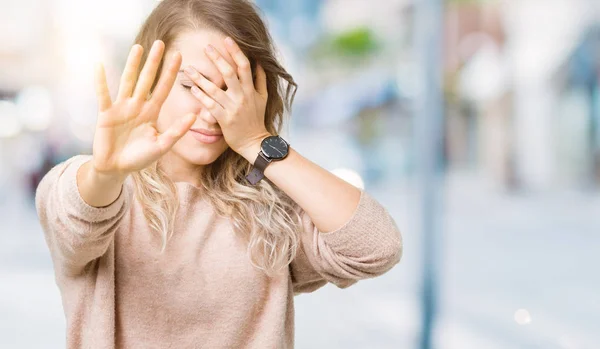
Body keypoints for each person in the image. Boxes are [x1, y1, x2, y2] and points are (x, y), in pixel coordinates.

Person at [35, 0, 403, 347]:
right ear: (149, 80)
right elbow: (78, 218)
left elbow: (376, 247)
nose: (211, 110)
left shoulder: (269, 206)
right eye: (192, 85)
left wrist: (260, 142)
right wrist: (105, 173)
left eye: (231, 89)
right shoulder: (91, 189)